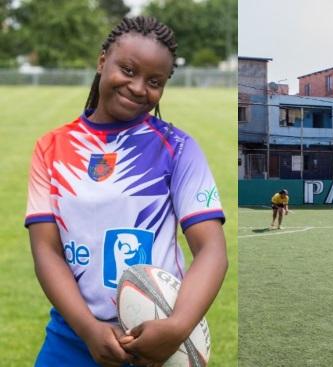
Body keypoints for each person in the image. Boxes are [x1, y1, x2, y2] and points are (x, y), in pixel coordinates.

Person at [25, 17, 228, 366]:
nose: (138, 88)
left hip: (156, 341)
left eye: (154, 81)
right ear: (103, 61)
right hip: (72, 336)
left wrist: (177, 327)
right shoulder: (51, 148)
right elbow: (47, 250)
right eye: (128, 70)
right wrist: (88, 328)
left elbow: (211, 249)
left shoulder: (178, 148)